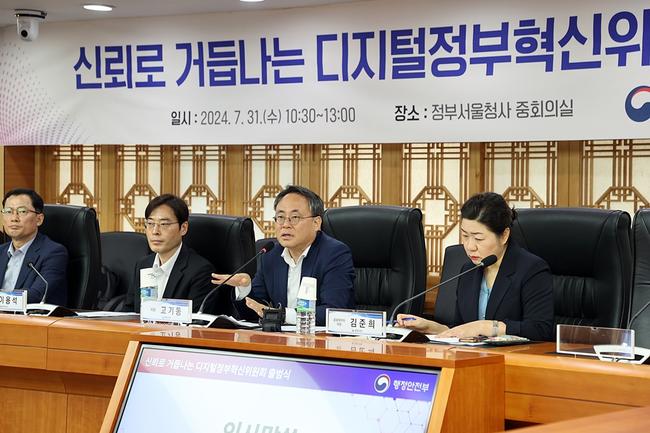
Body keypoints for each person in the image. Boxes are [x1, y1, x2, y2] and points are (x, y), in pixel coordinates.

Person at [397, 192, 554, 341]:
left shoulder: (531, 269)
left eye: (478, 238)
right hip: (472, 356)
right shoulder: (468, 271)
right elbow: (462, 329)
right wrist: (431, 328)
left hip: (513, 358)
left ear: (504, 235)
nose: (470, 246)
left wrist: (487, 327)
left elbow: (540, 330)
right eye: (465, 236)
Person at [211, 185, 355, 326]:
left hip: (320, 339)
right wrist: (244, 288)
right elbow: (254, 313)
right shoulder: (270, 254)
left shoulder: (335, 254)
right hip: (281, 338)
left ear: (316, 223)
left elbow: (334, 312)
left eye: (295, 217)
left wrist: (282, 315)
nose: (285, 224)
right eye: (280, 217)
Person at [123, 194, 214, 313]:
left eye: (164, 224)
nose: (155, 231)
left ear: (183, 228)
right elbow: (129, 312)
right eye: (150, 223)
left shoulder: (200, 271)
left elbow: (197, 320)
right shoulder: (143, 264)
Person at [0, 188, 68, 305]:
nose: (14, 218)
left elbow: (36, 295)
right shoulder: (1, 251)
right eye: (8, 211)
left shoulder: (54, 253)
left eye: (22, 211)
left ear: (39, 219)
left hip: (31, 316)